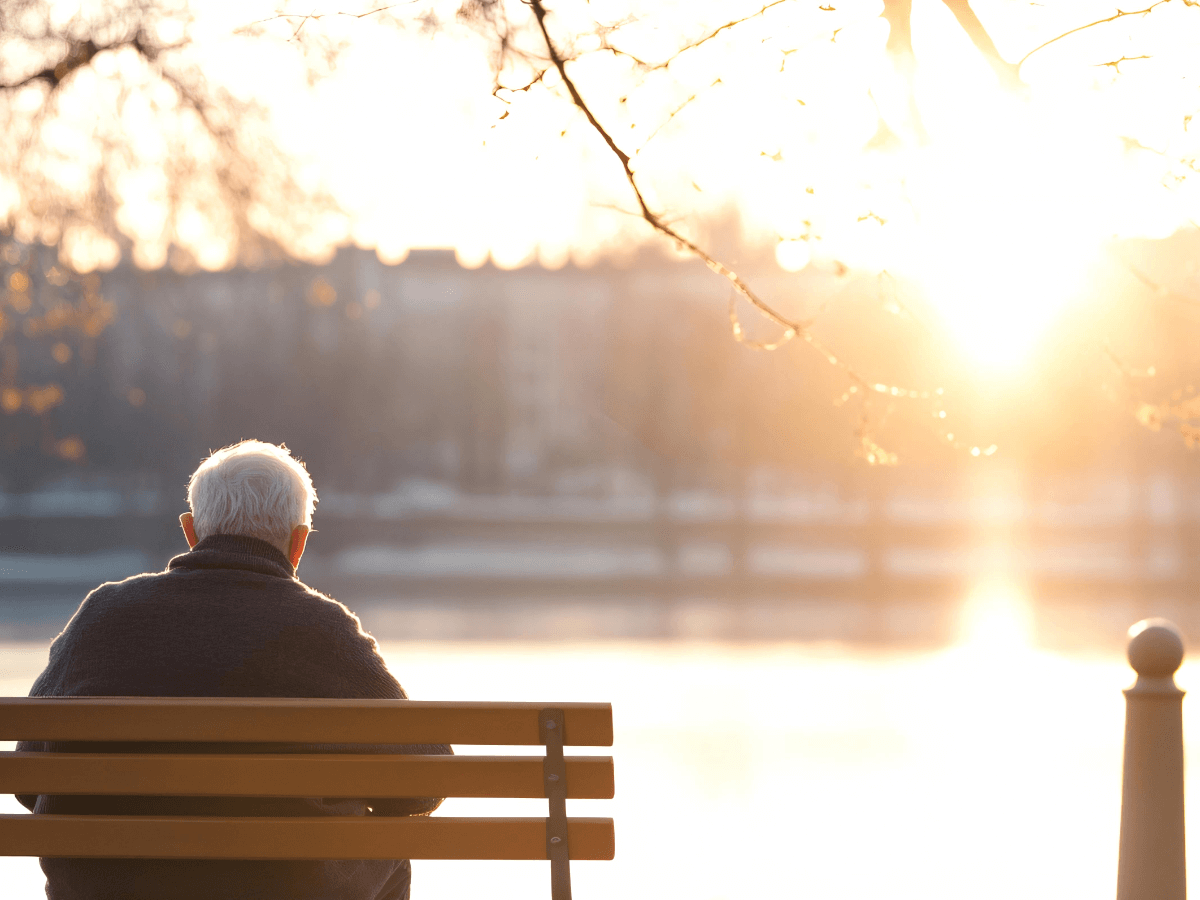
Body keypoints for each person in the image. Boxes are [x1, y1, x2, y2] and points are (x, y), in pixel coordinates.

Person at [16, 440, 447, 900]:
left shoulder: (103, 616)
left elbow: (29, 775)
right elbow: (424, 782)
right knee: (391, 848)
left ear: (190, 530)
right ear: (299, 542)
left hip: (108, 889)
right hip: (286, 890)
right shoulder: (324, 631)